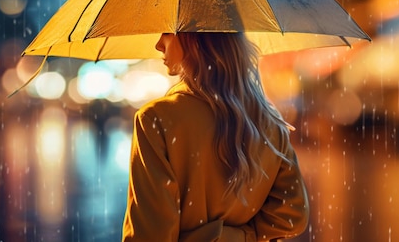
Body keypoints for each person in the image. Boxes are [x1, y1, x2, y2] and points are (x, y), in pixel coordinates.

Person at [122, 32, 309, 242]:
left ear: (193, 38)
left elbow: (150, 234)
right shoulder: (270, 121)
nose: (158, 45)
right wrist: (239, 237)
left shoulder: (155, 119)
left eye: (167, 33)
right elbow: (292, 216)